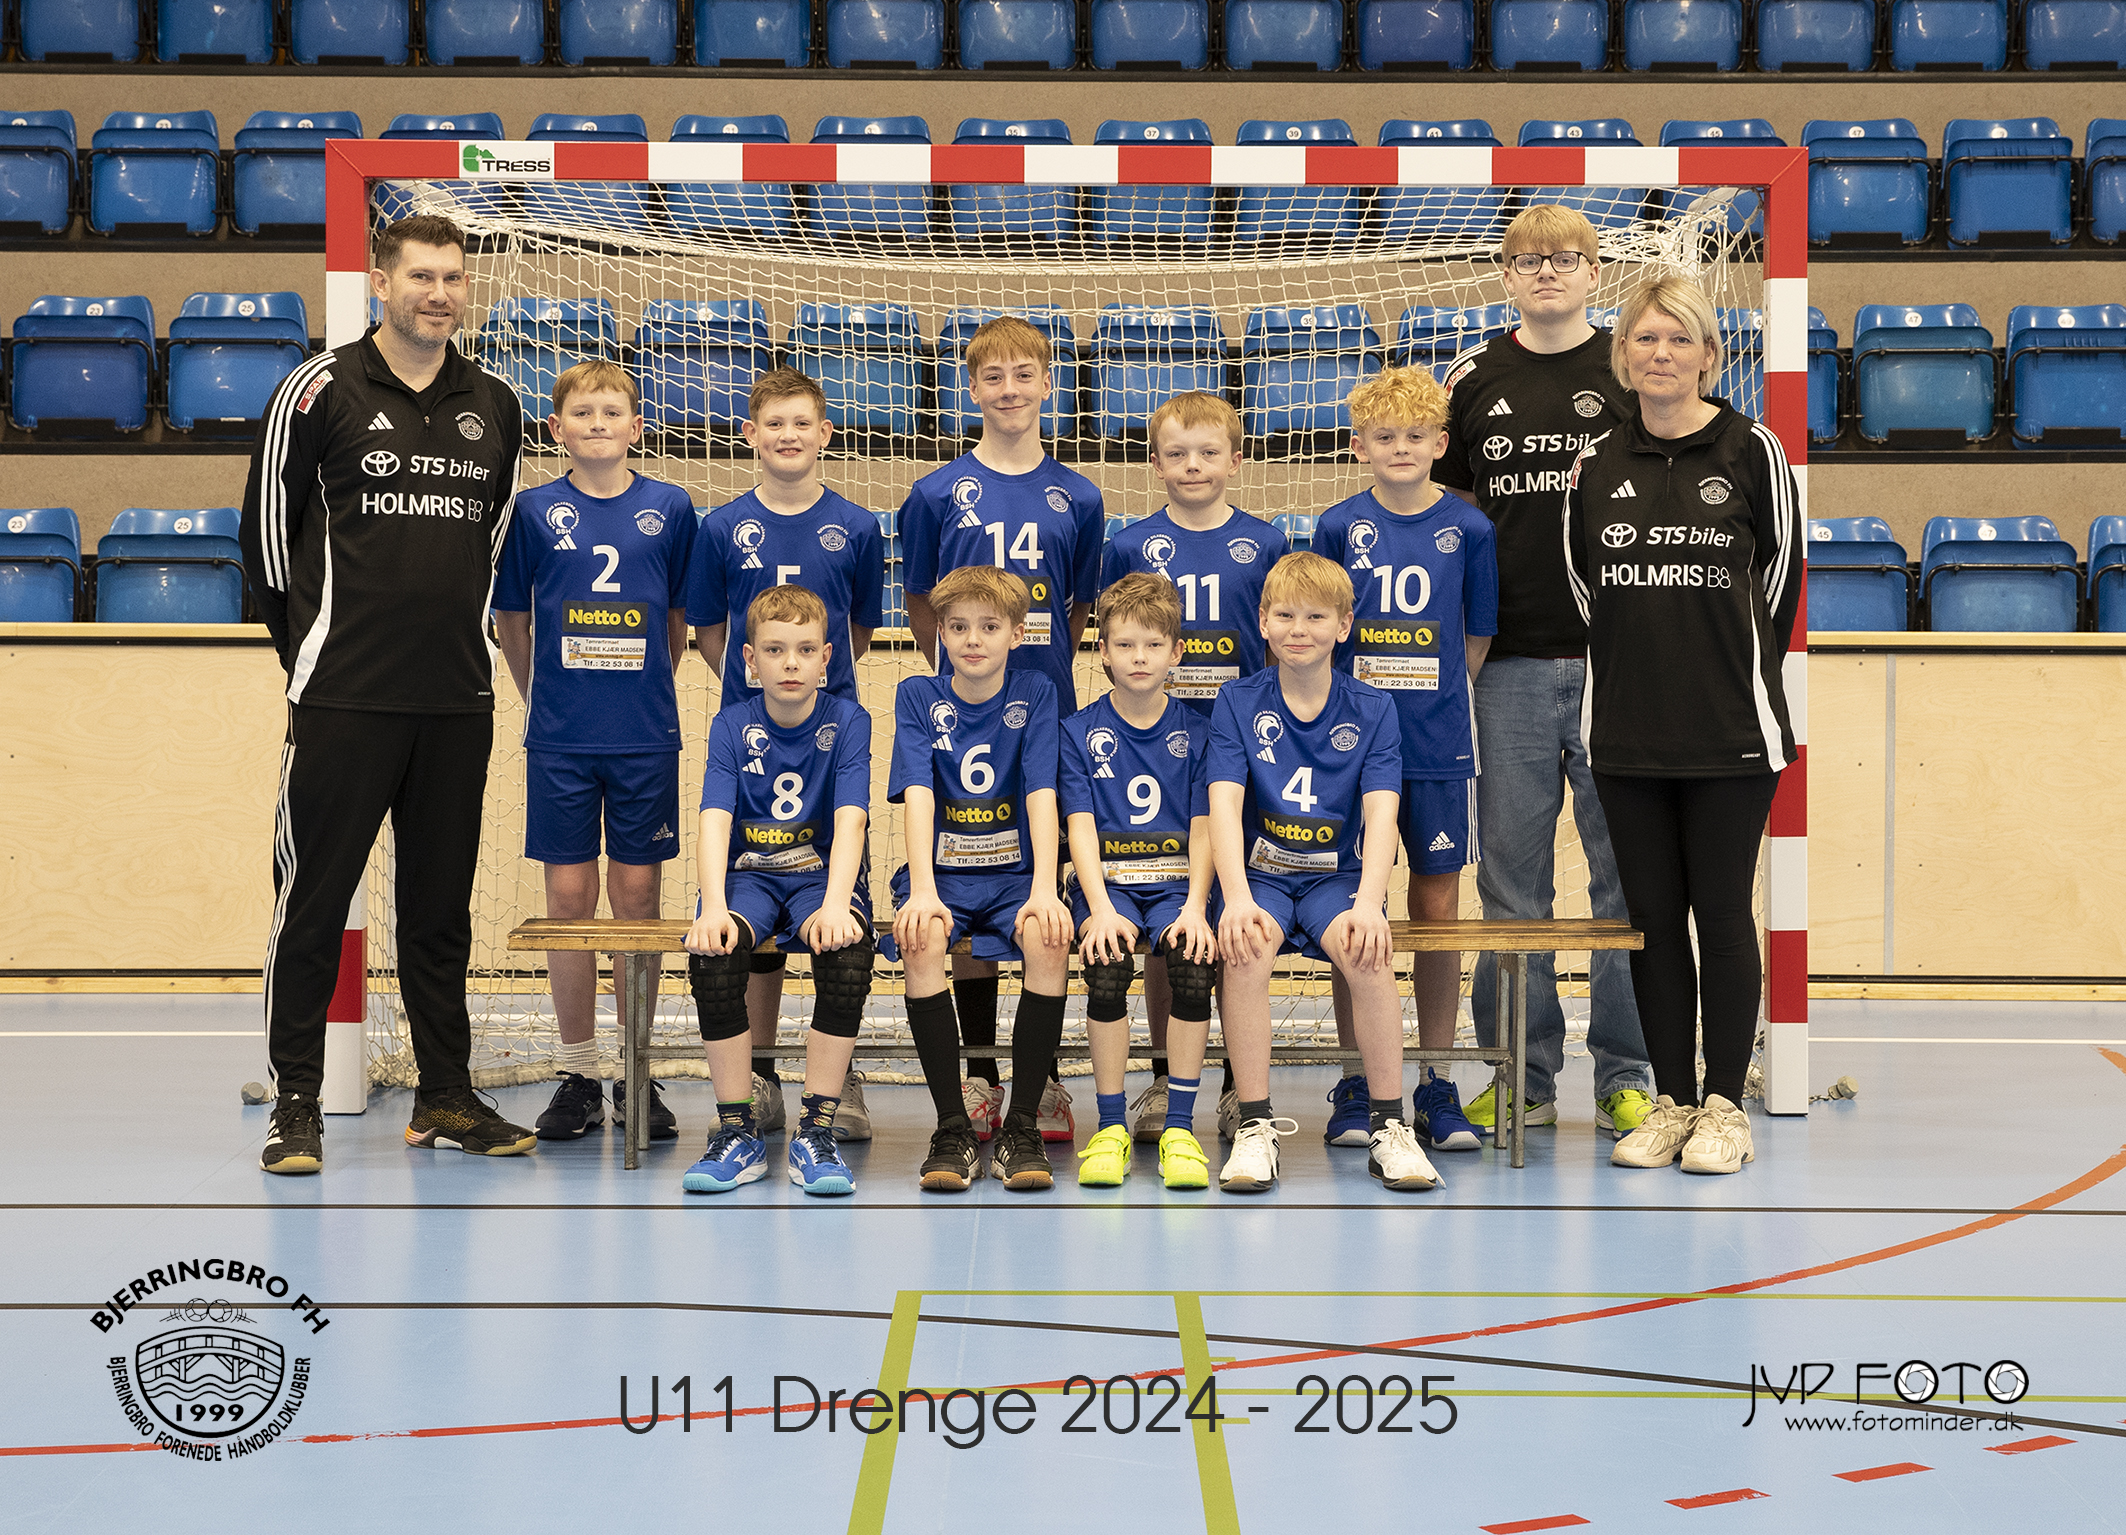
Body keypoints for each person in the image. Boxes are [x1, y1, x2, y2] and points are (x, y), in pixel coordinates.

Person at [239, 212, 532, 1174]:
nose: (439, 293)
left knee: (439, 912)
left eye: (453, 277)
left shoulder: (496, 403)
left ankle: (445, 1091)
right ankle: (296, 1101)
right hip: (344, 697)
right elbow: (266, 545)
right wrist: (312, 658)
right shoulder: (317, 388)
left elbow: (491, 548)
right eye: (420, 276)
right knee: (313, 903)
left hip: (454, 699)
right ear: (381, 282)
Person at [1561, 273, 1802, 1177]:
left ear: (1709, 354)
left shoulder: (1753, 450)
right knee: (1653, 921)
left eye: (1678, 338)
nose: (1660, 353)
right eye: (1644, 338)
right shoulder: (1595, 464)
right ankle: (1669, 1102)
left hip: (1732, 734)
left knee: (1723, 915)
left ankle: (1726, 1107)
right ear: (1623, 355)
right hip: (1627, 736)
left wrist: (1719, 667)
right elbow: (1588, 589)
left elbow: (1778, 585)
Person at [1433, 203, 1655, 1143]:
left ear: (1596, 272)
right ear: (1506, 275)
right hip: (1508, 667)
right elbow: (1450, 519)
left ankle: (1627, 1076)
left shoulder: (1630, 369)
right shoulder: (1473, 378)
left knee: (1626, 884)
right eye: (1528, 260)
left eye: (1566, 258)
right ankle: (1519, 1075)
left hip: (1619, 664)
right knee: (1512, 890)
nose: (1548, 272)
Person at [899, 315, 1103, 1143]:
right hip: (963, 714)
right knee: (966, 870)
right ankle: (979, 1075)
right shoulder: (935, 492)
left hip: (1045, 713)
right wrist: (963, 669)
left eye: (1025, 374)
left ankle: (1040, 1079)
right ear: (971, 388)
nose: (1010, 389)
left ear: (1049, 384)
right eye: (993, 376)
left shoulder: (1079, 496)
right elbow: (921, 600)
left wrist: (1033, 664)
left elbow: (1079, 606)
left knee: (1037, 888)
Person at [493, 359, 695, 1147]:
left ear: (637, 427)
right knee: (569, 902)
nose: (599, 422)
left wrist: (641, 688)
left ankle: (636, 1071)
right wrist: (541, 695)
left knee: (637, 901)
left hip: (644, 736)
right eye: (583, 412)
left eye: (613, 411)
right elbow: (513, 621)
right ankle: (579, 1071)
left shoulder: (670, 507)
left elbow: (676, 620)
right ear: (557, 428)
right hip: (561, 738)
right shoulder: (534, 510)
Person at [689, 368, 885, 1142]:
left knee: (837, 914)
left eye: (803, 422)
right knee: (752, 924)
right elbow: (711, 628)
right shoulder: (721, 526)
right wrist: (759, 688)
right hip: (755, 723)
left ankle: (836, 1084)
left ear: (825, 433)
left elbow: (858, 629)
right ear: (750, 434)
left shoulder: (858, 526)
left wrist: (811, 681)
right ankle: (761, 1080)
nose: (788, 435)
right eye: (774, 423)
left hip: (827, 731)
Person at [1208, 553, 1433, 1194]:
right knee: (1245, 950)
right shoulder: (1237, 701)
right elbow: (1223, 805)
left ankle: (1391, 1127)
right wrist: (1236, 898)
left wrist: (1370, 903)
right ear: (1263, 622)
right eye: (1284, 615)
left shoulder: (1373, 707)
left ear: (1344, 625)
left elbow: (1382, 812)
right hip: (1264, 876)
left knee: (1368, 954)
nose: (1298, 629)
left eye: (1315, 616)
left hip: (1337, 878)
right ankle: (1255, 1127)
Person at [1317, 365, 1498, 1157]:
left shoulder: (1471, 528)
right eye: (1384, 436)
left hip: (1436, 743)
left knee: (1435, 904)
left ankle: (1436, 1076)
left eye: (1415, 436)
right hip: (1347, 749)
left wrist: (1430, 696)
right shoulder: (1336, 525)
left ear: (1440, 444)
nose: (1400, 447)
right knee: (1349, 906)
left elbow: (1475, 638)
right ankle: (1358, 1075)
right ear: (1360, 446)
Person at [1098, 390, 1288, 1140]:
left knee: (1234, 911)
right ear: (1154, 464)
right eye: (1176, 453)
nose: (1193, 465)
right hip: (1158, 748)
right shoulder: (1129, 545)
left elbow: (1279, 647)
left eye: (1209, 452)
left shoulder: (1266, 542)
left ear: (1235, 460)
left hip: (1244, 750)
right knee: (1166, 899)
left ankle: (1241, 1086)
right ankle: (1159, 1076)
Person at [679, 586, 876, 1195]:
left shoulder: (849, 721)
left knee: (847, 955)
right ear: (749, 658)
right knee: (714, 954)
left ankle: (816, 1132)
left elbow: (852, 820)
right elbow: (714, 820)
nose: (791, 663)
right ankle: (738, 1131)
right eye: (774, 649)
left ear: (827, 658)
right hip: (750, 877)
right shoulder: (731, 724)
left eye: (805, 650)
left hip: (820, 877)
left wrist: (838, 903)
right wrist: (713, 907)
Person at [886, 566, 1073, 1193]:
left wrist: (1045, 888)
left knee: (1048, 936)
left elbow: (1042, 791)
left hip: (1016, 875)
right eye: (959, 626)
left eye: (989, 627)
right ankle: (952, 1128)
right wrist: (922, 889)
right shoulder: (917, 696)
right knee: (921, 938)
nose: (973, 640)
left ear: (1017, 634)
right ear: (939, 631)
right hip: (943, 875)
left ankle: (1021, 1126)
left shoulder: (1036, 692)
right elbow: (917, 793)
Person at [1058, 573, 1219, 1191]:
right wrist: (1099, 909)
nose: (1139, 658)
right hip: (1110, 886)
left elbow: (1204, 827)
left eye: (1153, 645)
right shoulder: (1079, 731)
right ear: (1102, 651)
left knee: (1193, 965)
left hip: (1179, 886)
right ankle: (1110, 1128)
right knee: (1105, 966)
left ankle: (1179, 1127)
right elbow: (1080, 827)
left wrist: (1197, 907)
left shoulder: (1200, 732)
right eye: (1125, 645)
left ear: (1177, 652)